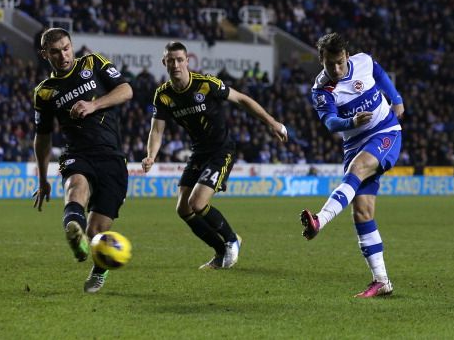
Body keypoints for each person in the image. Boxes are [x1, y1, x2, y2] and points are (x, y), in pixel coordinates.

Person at [142, 41, 288, 269]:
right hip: (198, 152)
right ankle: (220, 252)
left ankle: (232, 240)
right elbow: (157, 129)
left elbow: (241, 99)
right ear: (164, 63)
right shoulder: (163, 95)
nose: (176, 64)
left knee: (197, 203)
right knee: (183, 209)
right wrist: (151, 155)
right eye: (171, 60)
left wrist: (271, 123)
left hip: (221, 149)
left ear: (187, 61)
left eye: (180, 59)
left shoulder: (206, 84)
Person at [300, 33, 404, 298]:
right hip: (354, 143)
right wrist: (351, 122)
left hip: (385, 131)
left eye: (338, 62)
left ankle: (320, 220)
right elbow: (330, 123)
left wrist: (396, 97)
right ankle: (381, 281)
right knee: (362, 213)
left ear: (346, 55)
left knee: (356, 171)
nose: (334, 69)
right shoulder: (321, 89)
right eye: (328, 65)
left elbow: (380, 74)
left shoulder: (364, 62)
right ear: (321, 61)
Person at [32, 28, 133, 293]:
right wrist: (43, 180)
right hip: (78, 153)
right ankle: (73, 232)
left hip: (111, 156)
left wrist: (93, 105)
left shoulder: (94, 63)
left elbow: (126, 90)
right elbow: (42, 139)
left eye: (66, 48)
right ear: (45, 54)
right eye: (55, 51)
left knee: (97, 231)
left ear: (71, 45)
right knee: (75, 186)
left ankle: (98, 268)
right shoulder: (45, 92)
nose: (63, 55)